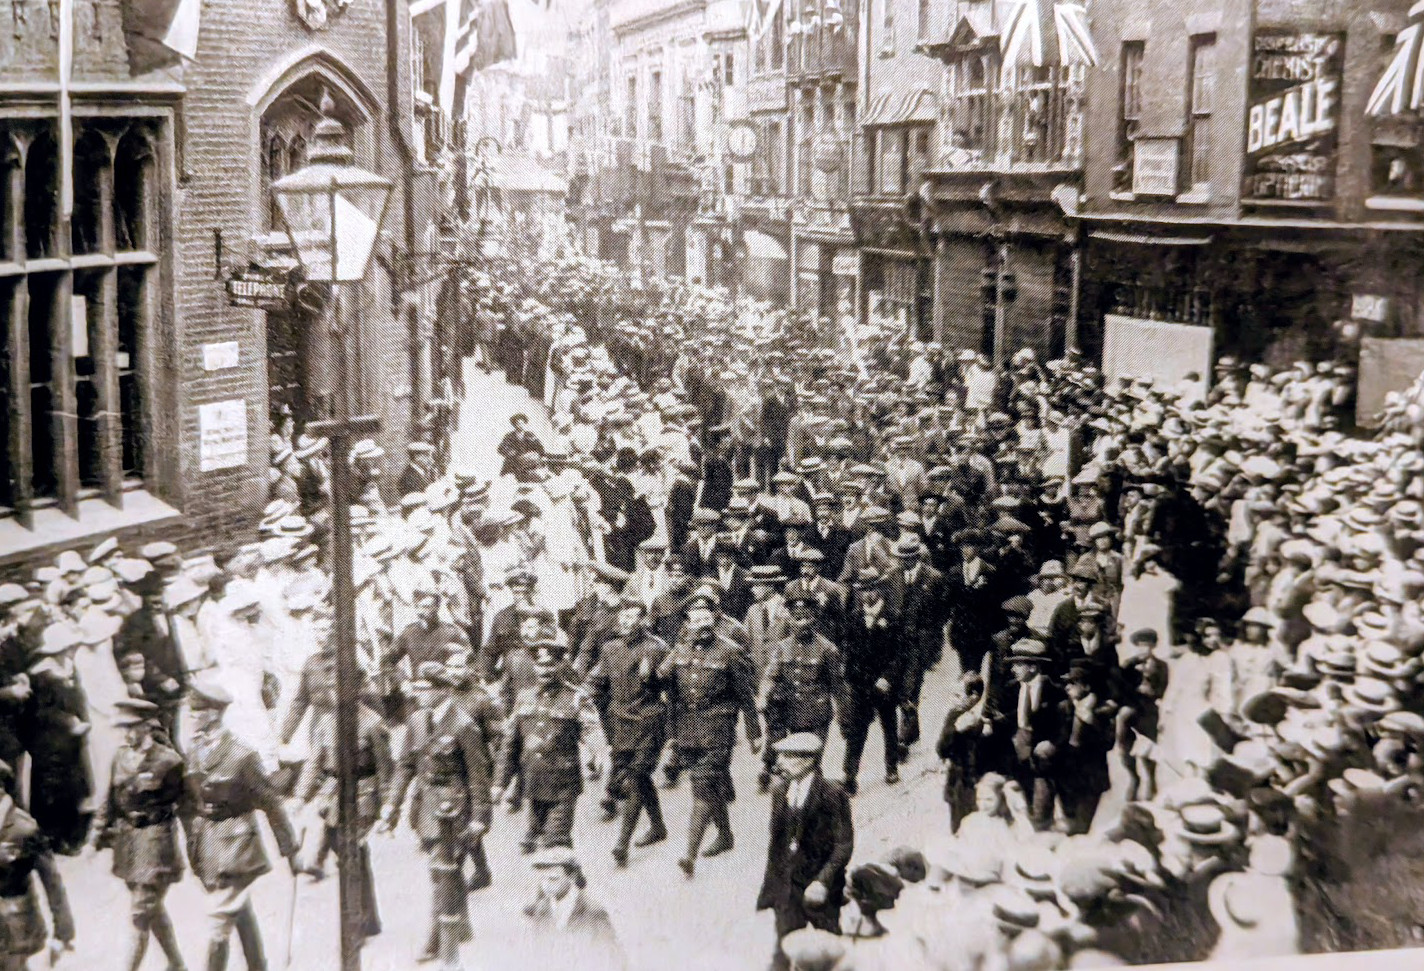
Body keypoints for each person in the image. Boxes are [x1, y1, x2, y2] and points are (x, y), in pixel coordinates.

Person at [180, 673, 300, 971]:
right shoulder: (195, 750)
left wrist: (290, 850)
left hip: (236, 846)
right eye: (191, 710)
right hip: (208, 845)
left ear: (213, 714)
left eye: (197, 711)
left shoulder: (242, 756)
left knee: (219, 921)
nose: (191, 717)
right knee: (237, 910)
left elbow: (271, 803)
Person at [380, 663, 496, 962]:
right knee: (450, 870)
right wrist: (392, 805)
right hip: (426, 808)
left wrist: (480, 818)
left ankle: (435, 941)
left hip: (454, 810)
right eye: (417, 688)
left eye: (425, 689)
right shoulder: (417, 720)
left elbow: (478, 776)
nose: (418, 694)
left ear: (443, 690)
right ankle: (462, 924)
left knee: (441, 871)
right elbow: (405, 765)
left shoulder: (464, 725)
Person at [659, 590, 762, 877]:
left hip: (718, 729)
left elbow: (745, 694)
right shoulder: (679, 650)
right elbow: (667, 687)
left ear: (715, 619)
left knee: (701, 785)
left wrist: (753, 731)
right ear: (688, 622)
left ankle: (689, 855)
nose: (702, 625)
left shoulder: (730, 651)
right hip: (687, 730)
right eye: (696, 619)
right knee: (711, 785)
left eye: (707, 618)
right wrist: (654, 674)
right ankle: (725, 835)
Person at [86, 702, 187, 971]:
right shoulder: (121, 757)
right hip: (128, 843)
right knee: (150, 909)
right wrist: (94, 838)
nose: (126, 734)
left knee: (139, 913)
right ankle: (177, 963)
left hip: (156, 842)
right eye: (123, 728)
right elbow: (108, 800)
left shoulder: (169, 761)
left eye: (131, 728)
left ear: (146, 726)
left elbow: (186, 805)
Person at [495, 641, 605, 854]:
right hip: (533, 781)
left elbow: (591, 728)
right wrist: (500, 783)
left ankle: (558, 866)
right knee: (555, 842)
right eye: (540, 665)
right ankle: (573, 870)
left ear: (560, 665)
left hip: (563, 784)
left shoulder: (575, 697)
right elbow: (510, 744)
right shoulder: (524, 697)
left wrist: (597, 752)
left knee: (553, 842)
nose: (544, 670)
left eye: (550, 665)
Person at [756, 733, 853, 971]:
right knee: (784, 950)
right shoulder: (780, 791)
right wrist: (773, 886)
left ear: (807, 761)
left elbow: (844, 845)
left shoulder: (832, 793)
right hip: (788, 887)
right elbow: (776, 843)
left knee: (830, 951)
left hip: (820, 886)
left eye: (787, 757)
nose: (780, 763)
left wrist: (822, 881)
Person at [585, 599, 671, 866]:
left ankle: (622, 843)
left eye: (632, 617)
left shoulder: (657, 648)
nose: (625, 621)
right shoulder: (610, 648)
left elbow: (672, 686)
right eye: (622, 616)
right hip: (621, 724)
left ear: (642, 619)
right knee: (641, 778)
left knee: (636, 777)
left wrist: (653, 678)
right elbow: (597, 680)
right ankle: (658, 826)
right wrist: (584, 696)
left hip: (649, 721)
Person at [757, 591, 842, 793]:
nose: (801, 623)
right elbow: (771, 675)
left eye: (806, 618)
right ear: (790, 619)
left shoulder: (827, 649)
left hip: (817, 714)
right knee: (798, 760)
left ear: (814, 619)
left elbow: (838, 686)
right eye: (797, 618)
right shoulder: (783, 647)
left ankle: (815, 800)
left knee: (813, 759)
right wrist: (763, 696)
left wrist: (845, 717)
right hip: (793, 712)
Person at [838, 569, 904, 796]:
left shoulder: (893, 617)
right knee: (857, 731)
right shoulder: (854, 617)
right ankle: (850, 776)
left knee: (889, 726)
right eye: (862, 590)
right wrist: (853, 680)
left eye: (871, 589)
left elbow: (900, 654)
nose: (866, 595)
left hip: (885, 685)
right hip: (862, 685)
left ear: (880, 590)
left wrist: (887, 678)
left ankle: (891, 766)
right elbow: (849, 652)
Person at [521, 847, 626, 971]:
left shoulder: (593, 911)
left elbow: (613, 956)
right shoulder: (542, 908)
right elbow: (538, 951)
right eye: (542, 879)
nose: (547, 885)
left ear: (572, 876)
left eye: (553, 879)